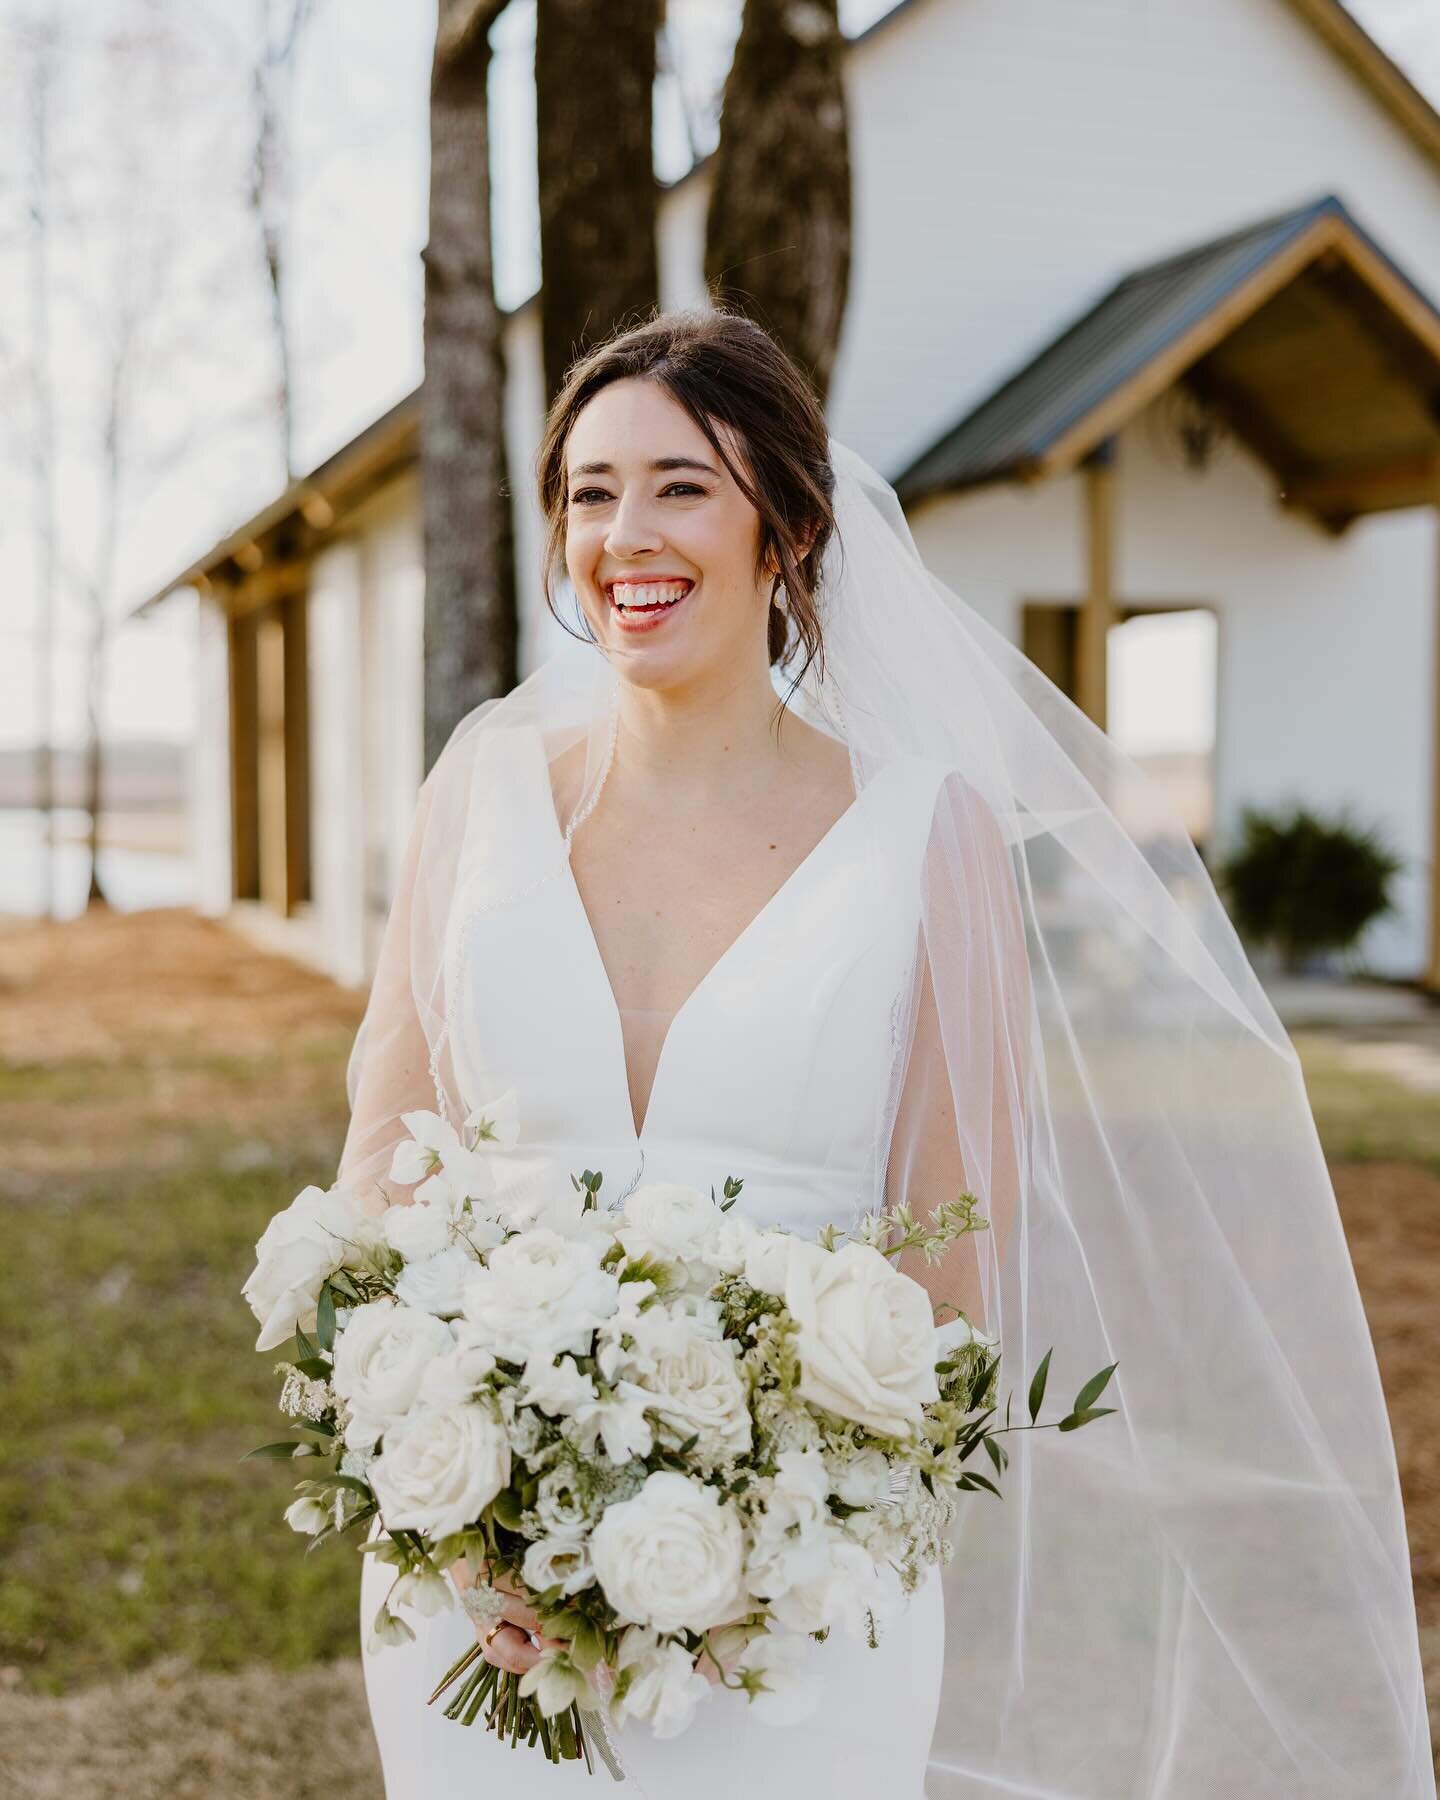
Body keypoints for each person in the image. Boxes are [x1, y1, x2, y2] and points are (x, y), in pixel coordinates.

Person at [339, 307, 1434, 1796]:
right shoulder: (482, 787)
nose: (623, 534)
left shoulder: (927, 833)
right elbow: (385, 1177)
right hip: (476, 1602)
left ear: (787, 528)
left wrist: (763, 1536)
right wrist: (456, 1505)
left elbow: (950, 1252)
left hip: (797, 1596)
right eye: (589, 492)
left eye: (681, 485)